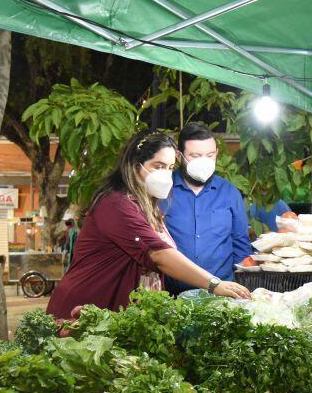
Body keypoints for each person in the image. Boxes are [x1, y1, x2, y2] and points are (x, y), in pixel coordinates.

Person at [46, 131, 250, 318]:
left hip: (114, 313)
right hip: (85, 309)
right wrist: (214, 284)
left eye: (170, 168)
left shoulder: (148, 207)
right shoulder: (117, 204)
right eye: (158, 166)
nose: (166, 174)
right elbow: (158, 254)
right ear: (136, 166)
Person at [162, 123, 252, 296]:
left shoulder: (229, 193)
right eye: (195, 156)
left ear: (217, 154)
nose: (204, 161)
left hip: (222, 295)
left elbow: (241, 246)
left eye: (210, 155)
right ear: (179, 156)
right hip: (171, 295)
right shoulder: (163, 192)